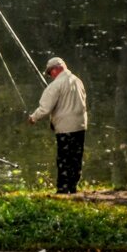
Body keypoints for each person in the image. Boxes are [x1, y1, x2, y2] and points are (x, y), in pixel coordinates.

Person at [28, 56, 88, 194]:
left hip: (65, 128)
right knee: (76, 158)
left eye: (50, 73)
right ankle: (72, 187)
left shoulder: (56, 85)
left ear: (56, 69)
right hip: (80, 125)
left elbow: (45, 108)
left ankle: (63, 189)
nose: (50, 76)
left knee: (64, 158)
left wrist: (33, 118)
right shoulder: (78, 81)